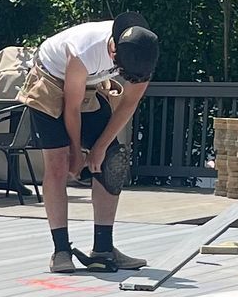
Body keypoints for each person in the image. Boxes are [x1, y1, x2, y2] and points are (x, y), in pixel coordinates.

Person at [23, 14, 161, 273]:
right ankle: (61, 250)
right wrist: (77, 154)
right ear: (113, 50)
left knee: (112, 160)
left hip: (88, 85)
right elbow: (71, 108)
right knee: (59, 163)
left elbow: (129, 103)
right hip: (50, 80)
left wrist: (98, 149)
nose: (123, 75)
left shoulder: (143, 54)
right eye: (120, 71)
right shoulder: (85, 50)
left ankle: (103, 249)